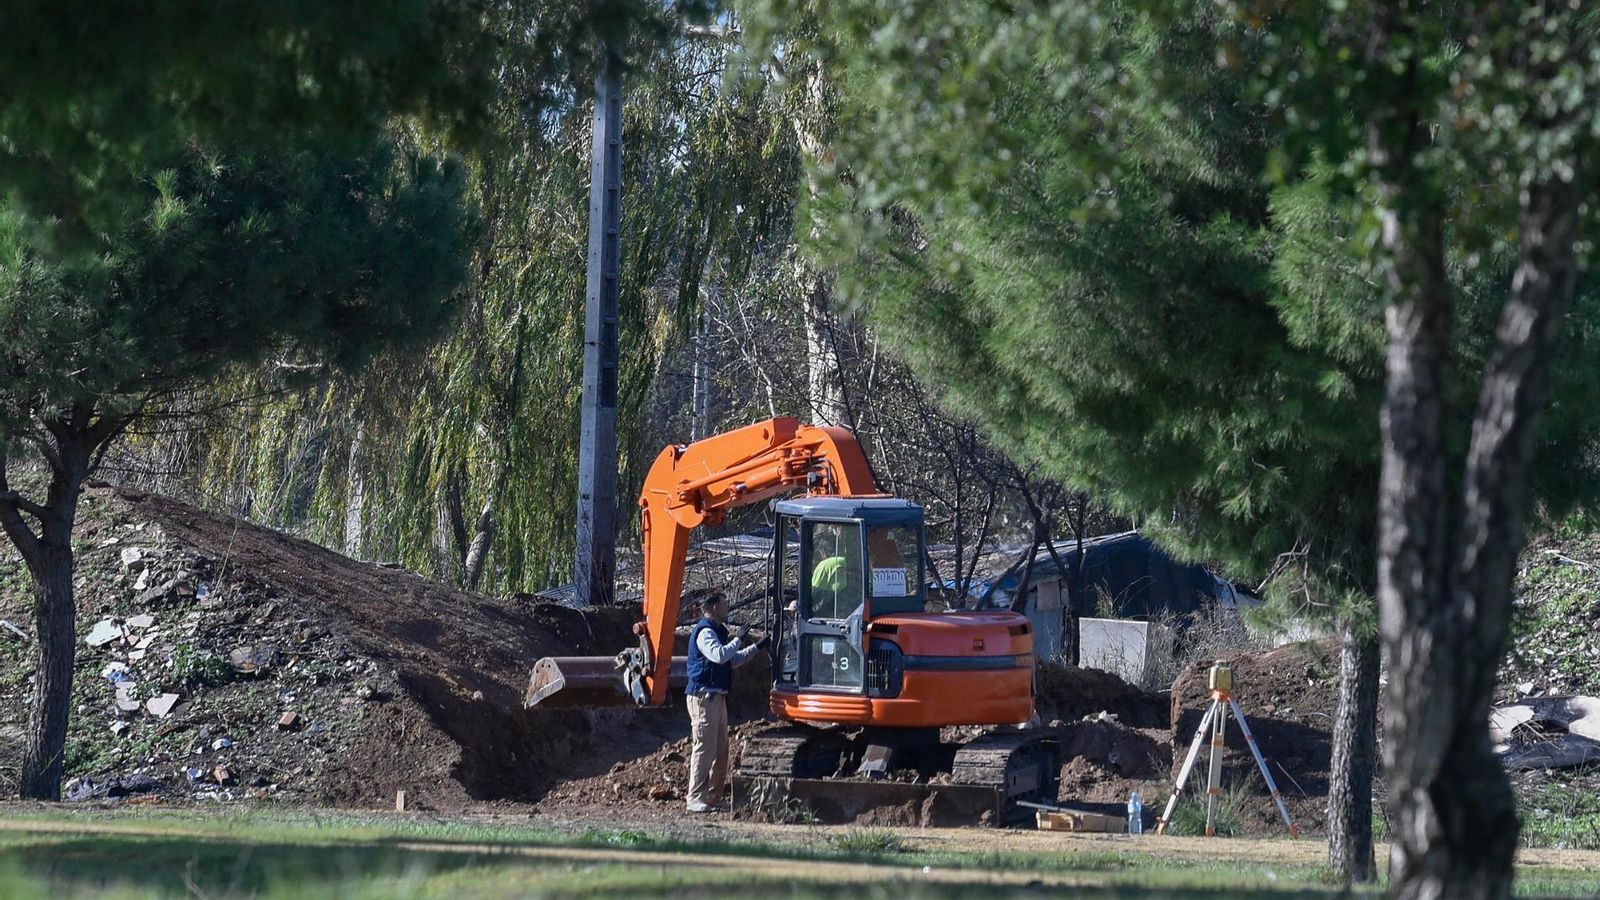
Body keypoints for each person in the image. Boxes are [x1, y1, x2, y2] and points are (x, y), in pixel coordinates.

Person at [685, 593, 763, 813]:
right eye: (725, 604)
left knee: (721, 749)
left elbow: (732, 661)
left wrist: (756, 647)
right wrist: (738, 639)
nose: (728, 609)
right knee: (704, 747)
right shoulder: (705, 632)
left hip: (716, 697)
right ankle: (695, 798)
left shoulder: (717, 632)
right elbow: (719, 656)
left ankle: (711, 798)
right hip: (703, 698)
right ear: (715, 605)